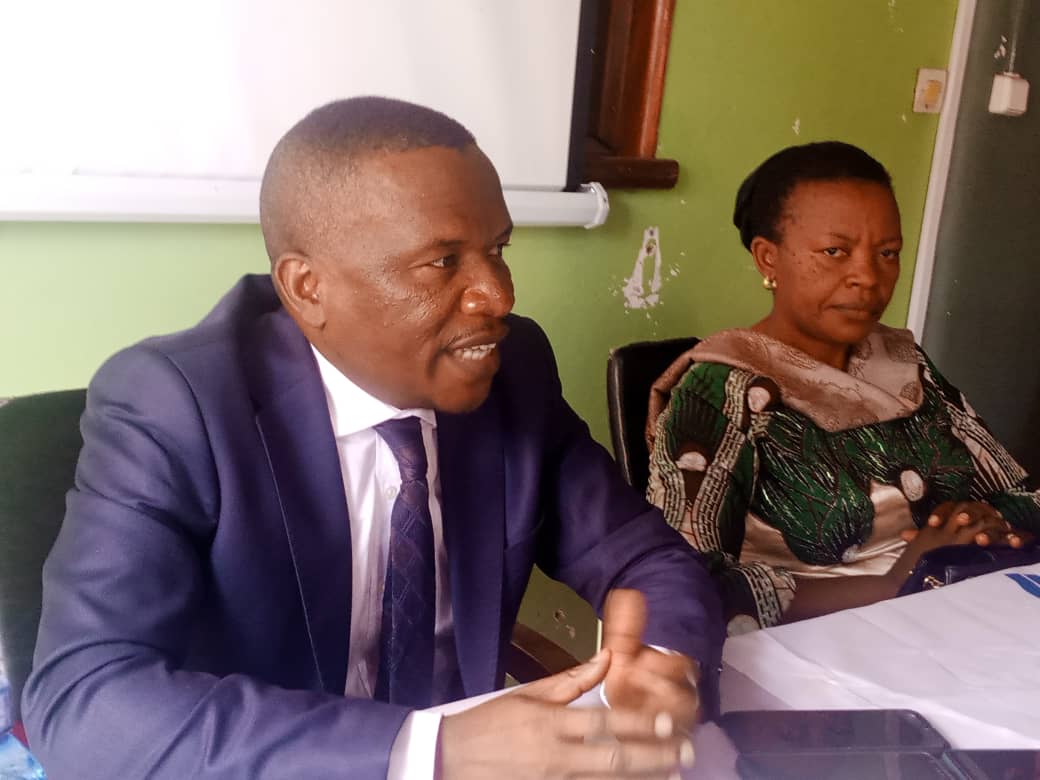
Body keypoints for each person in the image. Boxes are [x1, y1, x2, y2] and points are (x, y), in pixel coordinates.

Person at [22, 97, 723, 779]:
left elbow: (645, 558)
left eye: (498, 249)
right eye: (443, 262)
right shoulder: (177, 405)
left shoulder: (512, 370)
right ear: (308, 288)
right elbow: (83, 701)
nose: (498, 296)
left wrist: (662, 664)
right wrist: (431, 751)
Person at [645, 141, 1039, 636]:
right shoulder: (723, 390)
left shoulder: (903, 363)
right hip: (812, 646)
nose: (868, 277)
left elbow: (1018, 493)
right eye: (835, 252)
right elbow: (679, 580)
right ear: (768, 259)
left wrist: (979, 523)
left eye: (888, 253)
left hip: (948, 616)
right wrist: (895, 580)